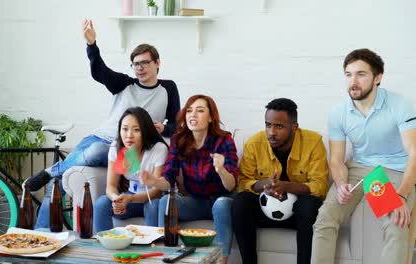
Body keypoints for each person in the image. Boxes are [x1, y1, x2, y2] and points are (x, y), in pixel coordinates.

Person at [27, 19, 180, 229]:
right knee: (59, 183)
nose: (140, 68)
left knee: (100, 151)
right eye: (135, 64)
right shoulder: (124, 83)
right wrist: (92, 44)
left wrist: (164, 128)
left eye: (145, 62)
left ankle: (51, 170)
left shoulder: (168, 89)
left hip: (128, 146)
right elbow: (99, 71)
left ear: (157, 63)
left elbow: (176, 125)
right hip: (100, 137)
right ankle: (42, 231)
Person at [311, 48, 416, 264]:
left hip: (390, 171)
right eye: (349, 75)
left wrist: (402, 195)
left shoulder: (399, 105)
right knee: (325, 219)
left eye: (361, 74)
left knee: (396, 222)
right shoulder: (338, 112)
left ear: (378, 78)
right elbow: (337, 159)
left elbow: (414, 152)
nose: (353, 82)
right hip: (358, 169)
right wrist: (340, 184)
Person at [140, 94, 239, 264]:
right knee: (165, 202)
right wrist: (154, 181)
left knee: (221, 204)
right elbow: (169, 178)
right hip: (196, 201)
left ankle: (222, 261)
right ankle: (167, 256)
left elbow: (231, 186)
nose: (193, 115)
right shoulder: (178, 140)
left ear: (210, 117)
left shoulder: (224, 140)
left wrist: (221, 169)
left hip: (220, 200)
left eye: (200, 111)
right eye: (189, 111)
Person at [232, 98, 329, 264]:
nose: (271, 132)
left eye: (279, 126)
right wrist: (264, 185)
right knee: (241, 202)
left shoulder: (313, 142)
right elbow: (243, 182)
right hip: (265, 209)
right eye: (268, 125)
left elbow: (320, 186)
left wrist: (287, 186)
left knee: (310, 204)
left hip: (299, 215)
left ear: (294, 127)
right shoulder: (255, 143)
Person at [93, 107, 169, 231]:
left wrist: (130, 199)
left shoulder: (158, 149)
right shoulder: (117, 147)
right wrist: (116, 199)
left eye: (136, 130)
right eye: (125, 129)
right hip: (130, 197)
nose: (129, 135)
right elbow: (111, 186)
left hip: (151, 199)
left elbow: (157, 192)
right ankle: (105, 245)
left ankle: (153, 247)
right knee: (102, 204)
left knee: (154, 206)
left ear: (145, 130)